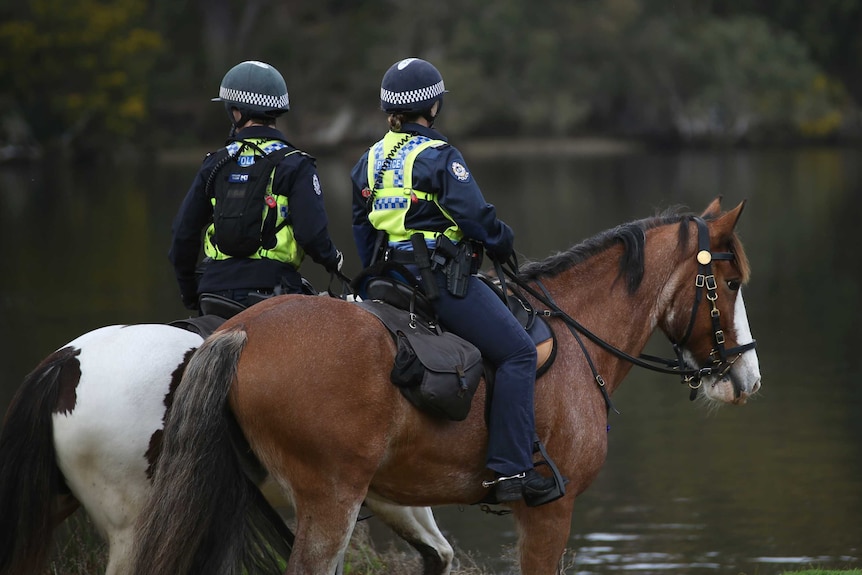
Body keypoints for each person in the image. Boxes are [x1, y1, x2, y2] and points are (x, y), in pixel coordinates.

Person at [350, 57, 560, 505]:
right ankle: (511, 471)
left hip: (386, 282)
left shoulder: (367, 161)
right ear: (433, 106)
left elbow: (362, 230)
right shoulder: (439, 157)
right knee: (519, 353)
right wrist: (503, 242)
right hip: (438, 283)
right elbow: (477, 218)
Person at [169, 60, 343, 310]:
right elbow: (311, 235)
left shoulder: (214, 163)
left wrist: (190, 293)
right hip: (274, 293)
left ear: (237, 112)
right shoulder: (295, 164)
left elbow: (183, 235)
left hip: (214, 293)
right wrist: (333, 260)